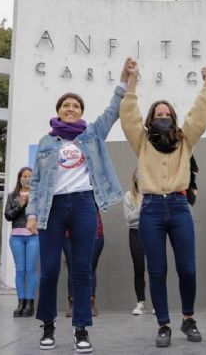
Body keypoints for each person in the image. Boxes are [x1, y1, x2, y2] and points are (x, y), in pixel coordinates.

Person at [26, 58, 129, 352]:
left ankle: (81, 329)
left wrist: (123, 81)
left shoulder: (91, 135)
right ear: (58, 111)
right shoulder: (47, 142)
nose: (70, 108)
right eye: (65, 105)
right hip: (52, 208)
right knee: (48, 271)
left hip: (84, 204)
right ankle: (47, 326)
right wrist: (32, 213)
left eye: (75, 106)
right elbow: (35, 183)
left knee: (82, 271)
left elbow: (113, 112)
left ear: (81, 112)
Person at [120, 62, 206, 348]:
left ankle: (188, 318)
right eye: (158, 114)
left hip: (178, 206)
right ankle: (163, 324)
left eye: (167, 114)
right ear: (151, 118)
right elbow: (128, 116)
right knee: (157, 270)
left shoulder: (184, 140)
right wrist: (132, 82)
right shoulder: (142, 141)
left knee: (187, 268)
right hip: (149, 209)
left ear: (173, 118)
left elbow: (199, 116)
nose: (163, 117)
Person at [5, 166, 38, 317]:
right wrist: (20, 205)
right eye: (24, 176)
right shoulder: (12, 196)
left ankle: (30, 303)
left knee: (30, 270)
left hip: (34, 236)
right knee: (20, 270)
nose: (27, 179)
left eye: (30, 176)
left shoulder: (38, 194)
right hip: (17, 236)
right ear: (19, 178)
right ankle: (21, 302)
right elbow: (8, 216)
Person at [63, 211, 105, 318]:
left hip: (94, 232)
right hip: (69, 234)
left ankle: (90, 303)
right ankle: (73, 304)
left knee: (90, 269)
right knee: (72, 269)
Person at [124, 169, 148, 315]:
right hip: (135, 233)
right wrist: (144, 208)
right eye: (138, 174)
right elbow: (129, 219)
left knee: (155, 268)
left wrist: (138, 211)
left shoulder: (152, 194)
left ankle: (158, 304)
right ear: (134, 178)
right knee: (139, 268)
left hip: (151, 231)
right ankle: (140, 302)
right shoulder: (128, 195)